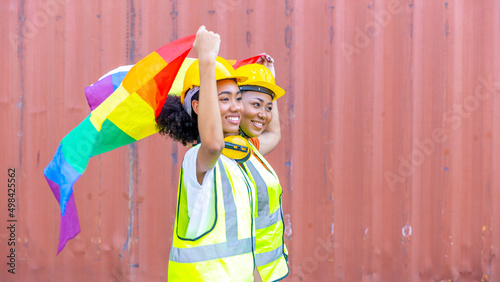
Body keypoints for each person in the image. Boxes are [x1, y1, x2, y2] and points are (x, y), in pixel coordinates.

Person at [156, 26, 256, 281]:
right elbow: (213, 144)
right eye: (224, 99)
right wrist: (207, 59)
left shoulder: (239, 153)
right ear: (199, 107)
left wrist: (266, 81)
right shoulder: (199, 157)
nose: (236, 107)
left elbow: (272, 136)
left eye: (238, 98)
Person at [235, 59, 289, 281]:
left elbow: (273, 134)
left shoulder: (247, 148)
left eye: (268, 107)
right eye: (256, 105)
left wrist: (269, 80)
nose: (264, 114)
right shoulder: (213, 146)